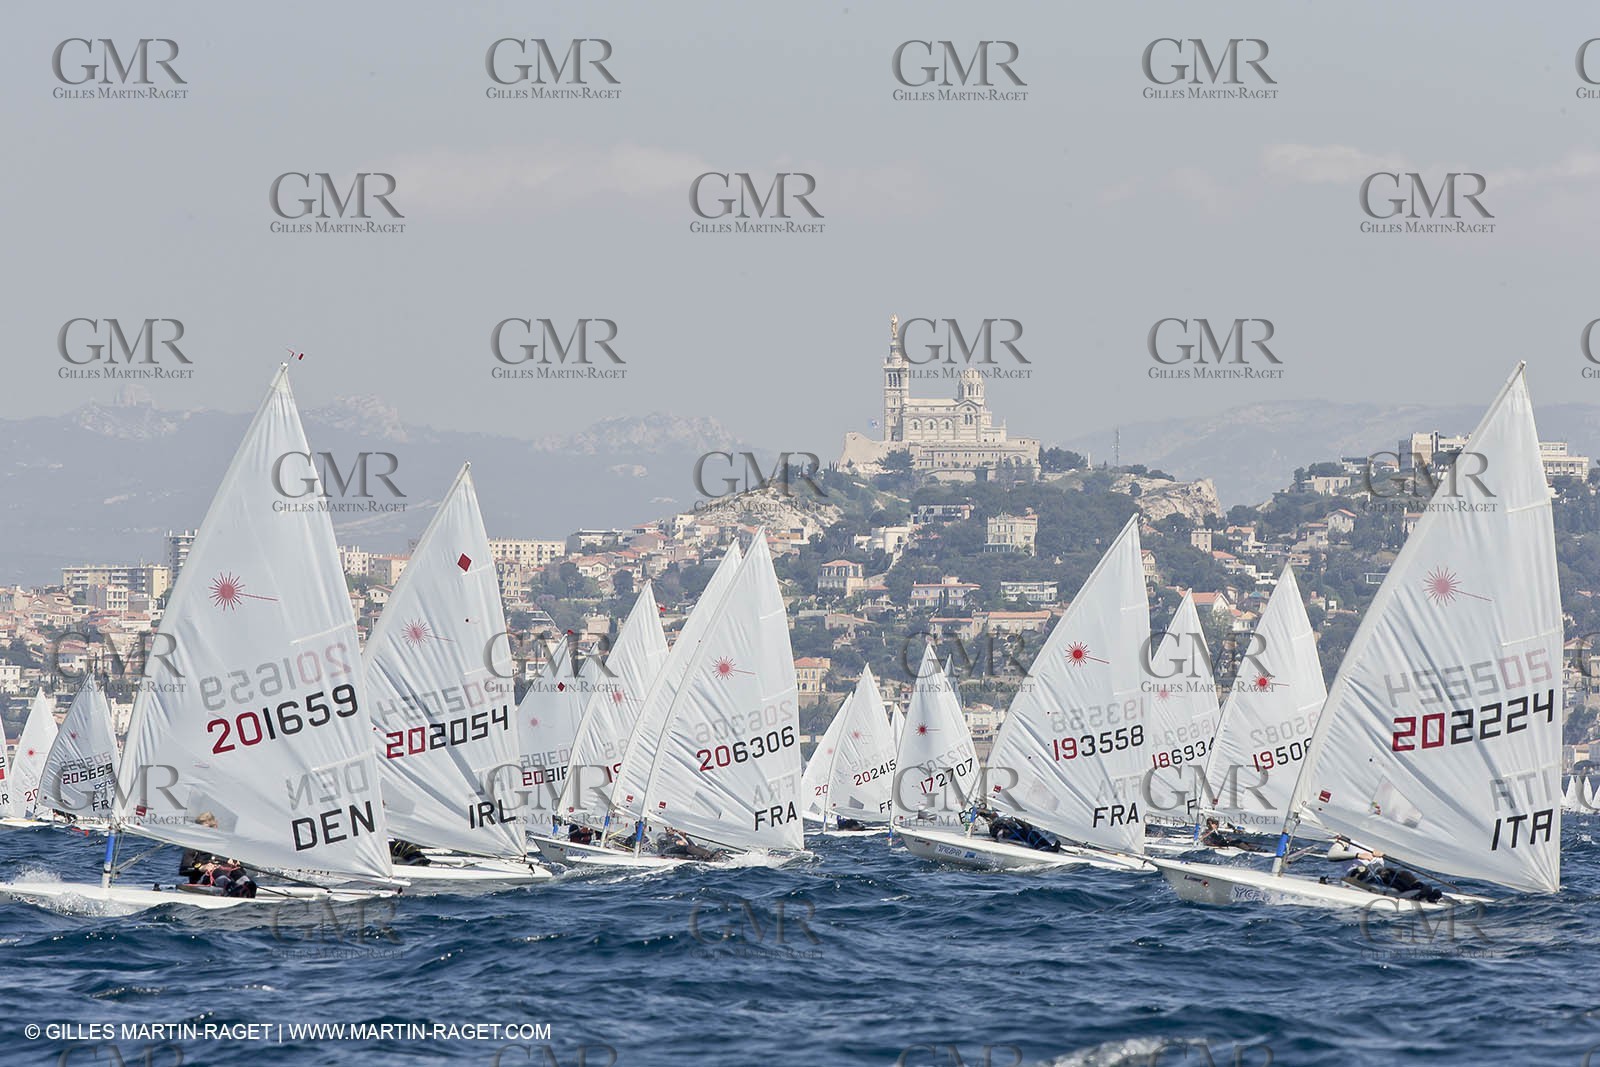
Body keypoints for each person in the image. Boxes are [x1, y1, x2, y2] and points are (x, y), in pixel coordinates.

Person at [178, 812, 257, 898]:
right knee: (216, 871)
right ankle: (233, 888)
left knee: (235, 871)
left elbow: (240, 868)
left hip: (226, 877)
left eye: (207, 829)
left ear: (215, 827)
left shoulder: (224, 845)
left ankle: (247, 886)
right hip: (203, 879)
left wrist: (236, 863)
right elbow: (183, 869)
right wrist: (201, 868)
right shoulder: (193, 846)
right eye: (200, 829)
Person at [1345, 850, 1443, 902]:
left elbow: (1396, 854)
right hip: (1357, 874)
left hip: (1378, 874)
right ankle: (1414, 894)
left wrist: (1384, 852)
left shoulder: (1374, 838)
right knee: (1385, 872)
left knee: (1403, 873)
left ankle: (1421, 889)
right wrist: (1358, 855)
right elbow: (1333, 855)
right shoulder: (1346, 839)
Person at [977, 808, 1060, 852]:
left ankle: (1047, 847)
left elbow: (1026, 826)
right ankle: (1045, 848)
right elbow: (991, 815)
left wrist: (1018, 818)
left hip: (1010, 832)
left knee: (1030, 833)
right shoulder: (997, 817)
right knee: (1029, 833)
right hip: (1005, 833)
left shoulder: (1007, 815)